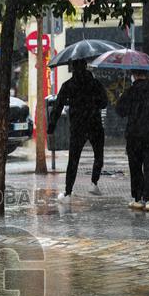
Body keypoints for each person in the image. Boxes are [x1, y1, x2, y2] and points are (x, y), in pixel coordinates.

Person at [48, 59, 108, 202]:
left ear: (72, 68)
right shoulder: (96, 84)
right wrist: (94, 103)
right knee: (98, 155)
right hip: (95, 125)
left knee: (73, 160)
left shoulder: (68, 85)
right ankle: (94, 183)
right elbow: (104, 103)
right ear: (86, 66)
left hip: (78, 127)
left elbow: (57, 106)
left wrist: (51, 125)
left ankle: (68, 193)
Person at [116, 69, 149, 212]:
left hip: (135, 137)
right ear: (147, 74)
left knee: (135, 168)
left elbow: (121, 111)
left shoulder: (131, 91)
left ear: (134, 75)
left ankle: (137, 199)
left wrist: (121, 97)